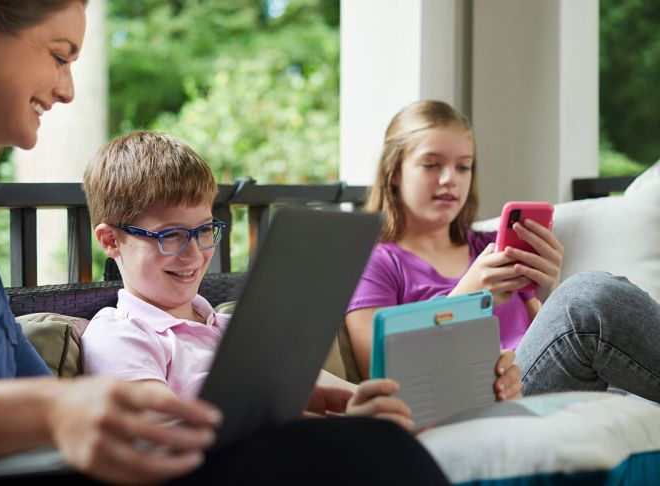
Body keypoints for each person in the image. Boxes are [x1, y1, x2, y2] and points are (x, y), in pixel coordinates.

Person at [0, 2, 448, 485]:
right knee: (368, 458)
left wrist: (303, 396)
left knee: (364, 445)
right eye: (58, 54)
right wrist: (57, 410)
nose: (68, 88)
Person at [80, 131, 521, 429]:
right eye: (171, 236)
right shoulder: (120, 334)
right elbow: (170, 439)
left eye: (203, 231)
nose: (195, 254)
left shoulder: (238, 331)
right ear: (111, 240)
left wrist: (473, 383)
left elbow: (358, 397)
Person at [345, 100, 660, 402]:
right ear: (395, 172)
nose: (449, 180)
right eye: (431, 164)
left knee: (585, 295)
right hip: (479, 398)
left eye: (463, 167)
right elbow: (378, 374)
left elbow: (549, 341)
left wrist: (550, 292)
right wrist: (468, 296)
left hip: (530, 378)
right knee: (589, 294)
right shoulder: (374, 261)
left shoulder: (492, 247)